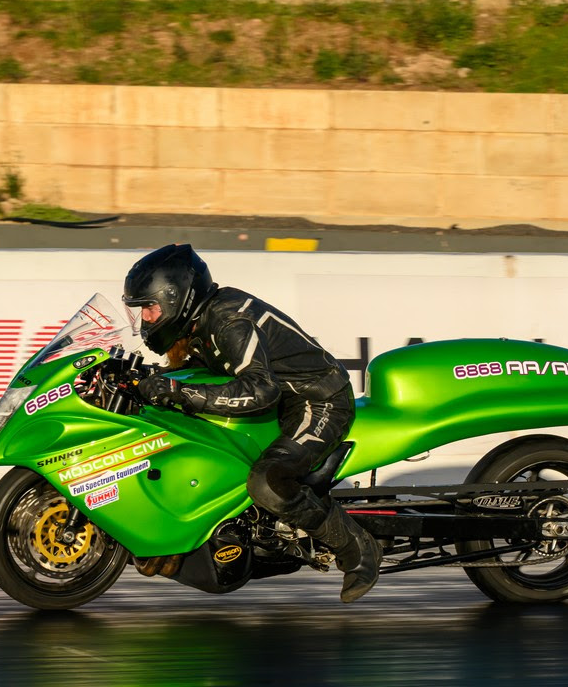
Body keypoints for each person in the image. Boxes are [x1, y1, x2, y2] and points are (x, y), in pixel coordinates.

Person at [123, 243, 381, 603]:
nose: (145, 319)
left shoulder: (229, 320)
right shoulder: (195, 322)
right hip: (282, 403)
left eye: (148, 309)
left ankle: (357, 547)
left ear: (175, 298)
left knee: (268, 483)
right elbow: (186, 373)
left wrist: (181, 393)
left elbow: (260, 390)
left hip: (317, 399)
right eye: (139, 311)